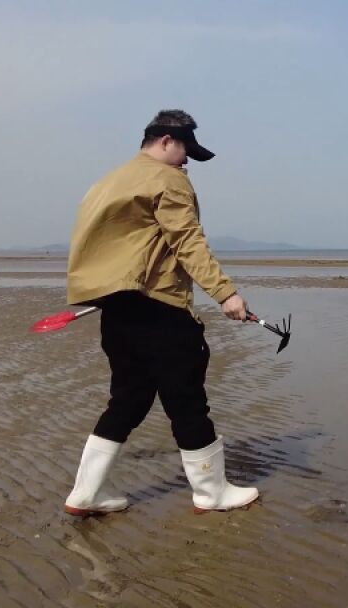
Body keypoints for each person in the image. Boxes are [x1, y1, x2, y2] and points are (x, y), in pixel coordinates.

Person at [62, 109, 260, 516]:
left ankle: (86, 493)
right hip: (159, 308)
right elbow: (188, 241)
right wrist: (226, 294)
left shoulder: (107, 182)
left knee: (128, 400)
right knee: (186, 398)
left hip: (116, 309)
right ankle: (211, 492)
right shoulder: (167, 179)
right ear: (166, 140)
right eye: (186, 150)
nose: (187, 162)